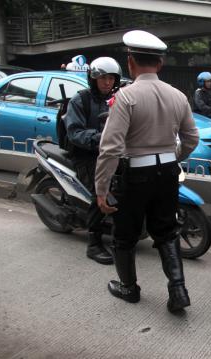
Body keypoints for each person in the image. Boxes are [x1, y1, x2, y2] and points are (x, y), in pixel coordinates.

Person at [95, 30, 199, 313]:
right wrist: (173, 157)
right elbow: (192, 139)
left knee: (125, 235)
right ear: (160, 64)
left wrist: (101, 189)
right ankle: (178, 291)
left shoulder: (126, 97)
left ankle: (129, 288)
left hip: (135, 176)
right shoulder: (178, 96)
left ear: (130, 63)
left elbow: (110, 149)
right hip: (167, 173)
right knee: (166, 232)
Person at [65, 56, 122, 265]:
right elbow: (75, 133)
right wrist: (102, 138)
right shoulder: (80, 100)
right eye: (103, 78)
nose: (107, 82)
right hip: (86, 155)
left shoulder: (118, 98)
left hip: (111, 153)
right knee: (101, 191)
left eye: (111, 78)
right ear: (93, 78)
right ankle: (94, 243)